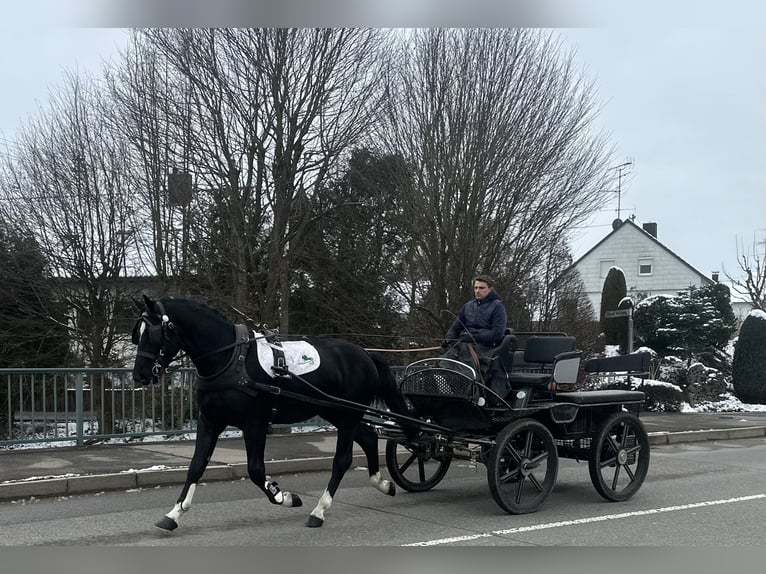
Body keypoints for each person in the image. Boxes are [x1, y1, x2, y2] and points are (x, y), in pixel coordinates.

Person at [442, 274, 507, 352]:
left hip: (486, 349)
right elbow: (456, 327)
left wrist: (474, 338)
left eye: (481, 288)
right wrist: (448, 339)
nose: (477, 291)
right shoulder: (467, 306)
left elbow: (497, 333)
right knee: (442, 362)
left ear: (490, 289)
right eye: (475, 288)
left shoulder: (497, 307)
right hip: (465, 346)